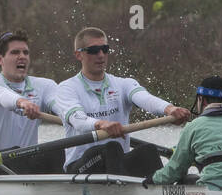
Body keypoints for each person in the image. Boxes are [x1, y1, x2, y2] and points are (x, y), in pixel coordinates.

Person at [53, 27, 189, 176]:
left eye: (105, 49)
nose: (101, 55)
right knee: (111, 147)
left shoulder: (123, 84)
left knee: (148, 150)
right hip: (79, 167)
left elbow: (145, 98)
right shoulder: (66, 88)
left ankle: (159, 192)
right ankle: (120, 193)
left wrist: (169, 109)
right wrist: (101, 124)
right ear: (79, 55)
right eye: (94, 50)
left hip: (116, 163)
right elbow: (78, 120)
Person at [151, 76, 222, 189]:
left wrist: (152, 180)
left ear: (202, 100)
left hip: (213, 188)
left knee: (189, 179)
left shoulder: (194, 126)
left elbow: (175, 171)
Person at [0, 30, 63, 173]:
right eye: (15, 52)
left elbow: (63, 107)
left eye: (25, 53)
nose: (22, 57)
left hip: (26, 164)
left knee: (59, 151)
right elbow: (1, 95)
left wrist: (78, 118)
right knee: (16, 151)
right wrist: (22, 102)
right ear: (0, 59)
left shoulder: (45, 86)